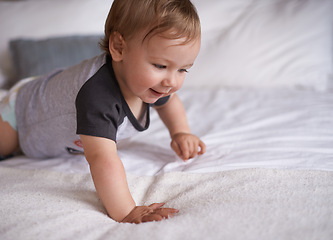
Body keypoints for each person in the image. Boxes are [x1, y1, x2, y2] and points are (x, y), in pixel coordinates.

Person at [0, 0, 206, 223]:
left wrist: (180, 132)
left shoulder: (154, 83)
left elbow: (169, 101)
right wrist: (126, 211)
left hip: (51, 120)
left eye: (183, 69)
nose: (171, 82)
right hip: (21, 113)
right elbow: (101, 158)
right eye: (160, 66)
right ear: (119, 47)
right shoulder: (98, 95)